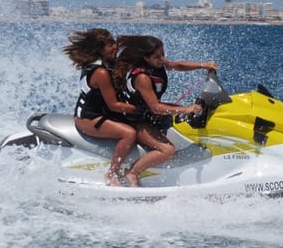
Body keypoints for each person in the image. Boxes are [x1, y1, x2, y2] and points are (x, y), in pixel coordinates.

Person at [113, 35, 218, 187]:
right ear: (146, 58)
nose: (162, 59)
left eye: (163, 53)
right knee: (167, 150)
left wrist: (203, 65)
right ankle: (132, 172)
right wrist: (185, 109)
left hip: (151, 115)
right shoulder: (142, 77)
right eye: (157, 56)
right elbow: (155, 107)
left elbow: (177, 65)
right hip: (137, 121)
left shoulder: (158, 63)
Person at [62, 28, 140, 187]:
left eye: (114, 43)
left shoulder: (105, 64)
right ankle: (112, 173)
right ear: (99, 49)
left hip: (101, 113)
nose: (115, 47)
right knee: (129, 133)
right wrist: (141, 109)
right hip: (89, 119)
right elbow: (114, 105)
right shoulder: (100, 72)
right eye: (110, 44)